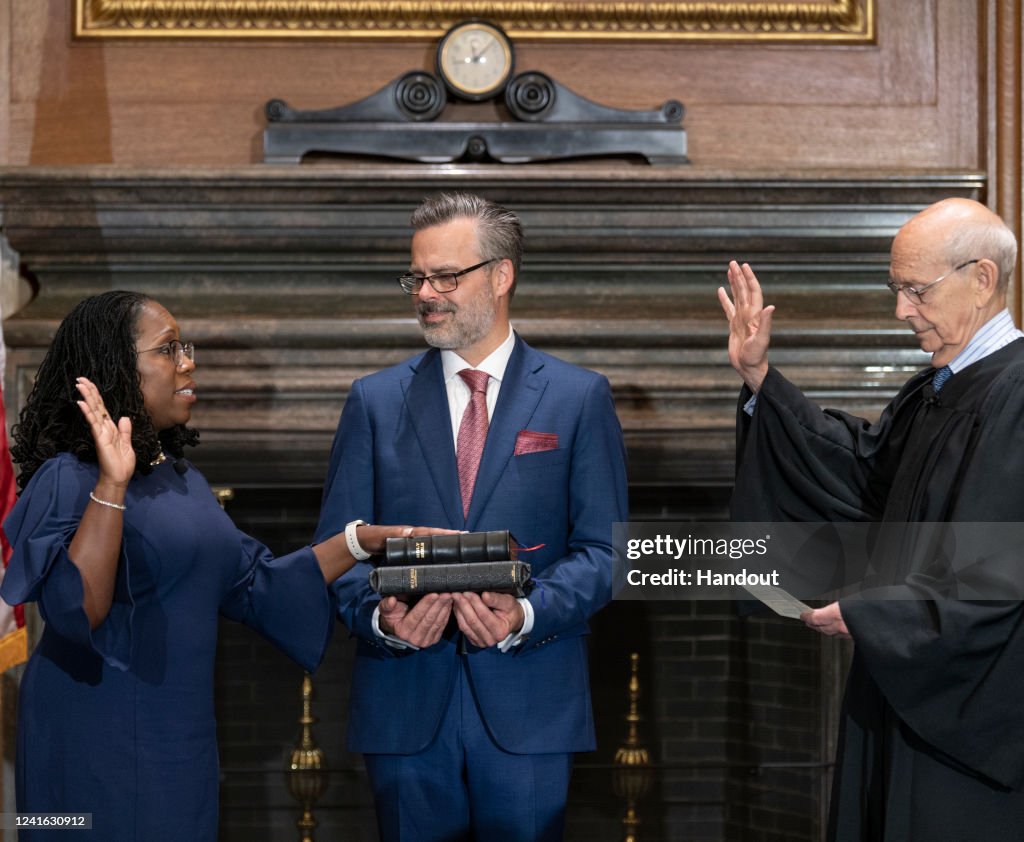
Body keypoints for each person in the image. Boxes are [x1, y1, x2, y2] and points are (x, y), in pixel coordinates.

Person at [0, 291, 447, 842]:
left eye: (184, 347)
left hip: (179, 739)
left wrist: (362, 541)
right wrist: (112, 483)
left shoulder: (182, 480)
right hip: (92, 734)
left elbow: (256, 585)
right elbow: (78, 610)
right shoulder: (70, 477)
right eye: (168, 350)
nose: (189, 362)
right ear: (118, 367)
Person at [315, 192, 629, 841]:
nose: (425, 292)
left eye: (445, 276)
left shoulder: (578, 398)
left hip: (531, 708)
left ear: (502, 275)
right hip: (404, 708)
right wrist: (383, 618)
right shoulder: (373, 403)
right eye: (417, 277)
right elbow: (338, 551)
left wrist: (526, 613)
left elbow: (605, 553)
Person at [718, 197, 1024, 839]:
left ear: (983, 279)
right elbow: (861, 474)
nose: (900, 311)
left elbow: (999, 566)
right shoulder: (938, 387)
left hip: (963, 712)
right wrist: (761, 381)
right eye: (896, 289)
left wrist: (873, 614)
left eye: (916, 290)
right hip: (901, 679)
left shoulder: (1016, 398)